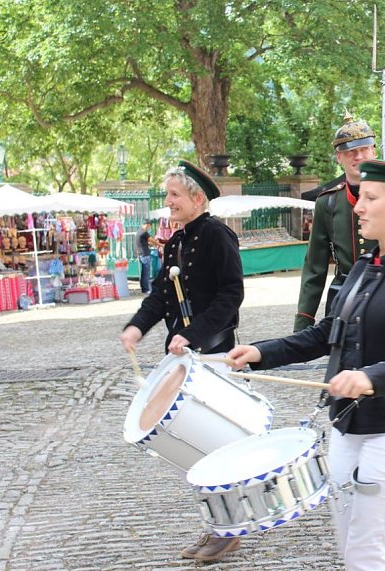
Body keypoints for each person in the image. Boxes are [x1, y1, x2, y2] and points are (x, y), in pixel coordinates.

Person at [229, 160, 385, 570]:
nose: (358, 207)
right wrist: (263, 352)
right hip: (349, 427)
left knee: (368, 549)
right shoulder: (363, 267)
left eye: (371, 198)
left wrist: (372, 377)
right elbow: (326, 334)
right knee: (351, 546)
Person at [119, 160, 245, 562]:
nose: (168, 202)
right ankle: (220, 525)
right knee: (194, 448)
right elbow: (160, 294)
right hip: (187, 358)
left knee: (215, 443)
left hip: (214, 353)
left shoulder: (216, 236)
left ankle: (229, 527)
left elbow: (231, 295)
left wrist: (193, 334)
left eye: (174, 194)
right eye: (167, 193)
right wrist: (138, 327)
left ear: (196, 198)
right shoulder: (176, 240)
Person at [294, 113, 378, 331]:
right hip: (343, 300)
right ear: (339, 158)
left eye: (363, 150)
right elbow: (315, 267)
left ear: (374, 151)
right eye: (350, 152)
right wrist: (303, 321)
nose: (358, 157)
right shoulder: (328, 203)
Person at [135, 222, 152, 295]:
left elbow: (145, 242)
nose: (149, 228)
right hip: (145, 254)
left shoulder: (139, 232)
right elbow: (152, 240)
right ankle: (146, 289)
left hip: (141, 254)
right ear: (147, 225)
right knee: (146, 273)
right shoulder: (144, 233)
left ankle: (143, 288)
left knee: (143, 273)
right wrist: (160, 244)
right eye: (149, 226)